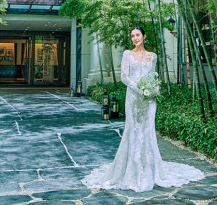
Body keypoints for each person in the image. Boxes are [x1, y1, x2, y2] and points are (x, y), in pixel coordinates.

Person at [82, 26, 204, 192]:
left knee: (148, 130)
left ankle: (149, 170)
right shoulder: (127, 54)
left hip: (149, 100)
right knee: (132, 130)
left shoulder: (152, 56)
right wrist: (140, 89)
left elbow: (153, 76)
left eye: (137, 35)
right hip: (133, 98)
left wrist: (154, 89)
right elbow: (124, 77)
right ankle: (132, 170)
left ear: (144, 36)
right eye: (132, 36)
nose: (135, 38)